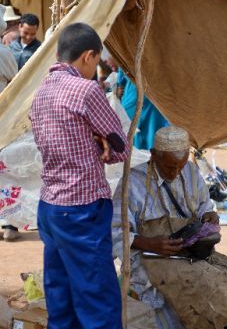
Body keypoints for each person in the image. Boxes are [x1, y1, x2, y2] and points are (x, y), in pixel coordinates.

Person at [112, 126, 227, 329]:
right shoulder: (132, 182)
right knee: (198, 279)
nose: (176, 172)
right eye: (169, 167)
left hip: (188, 251)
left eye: (180, 166)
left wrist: (209, 216)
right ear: (153, 155)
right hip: (151, 257)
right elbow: (115, 231)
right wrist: (149, 243)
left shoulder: (191, 171)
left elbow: (205, 205)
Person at [30, 23, 129, 328]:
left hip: (50, 206)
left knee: (60, 296)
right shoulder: (86, 90)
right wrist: (102, 144)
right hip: (82, 206)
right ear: (88, 56)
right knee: (96, 296)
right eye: (96, 61)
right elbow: (121, 146)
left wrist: (96, 140)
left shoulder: (41, 91)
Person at [0, 5, 19, 241]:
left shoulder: (4, 54)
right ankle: (8, 222)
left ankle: (8, 222)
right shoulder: (4, 54)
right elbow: (15, 85)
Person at [117, 69, 168, 150]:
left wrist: (119, 85)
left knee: (133, 139)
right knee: (153, 135)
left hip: (134, 97)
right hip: (153, 97)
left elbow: (121, 79)